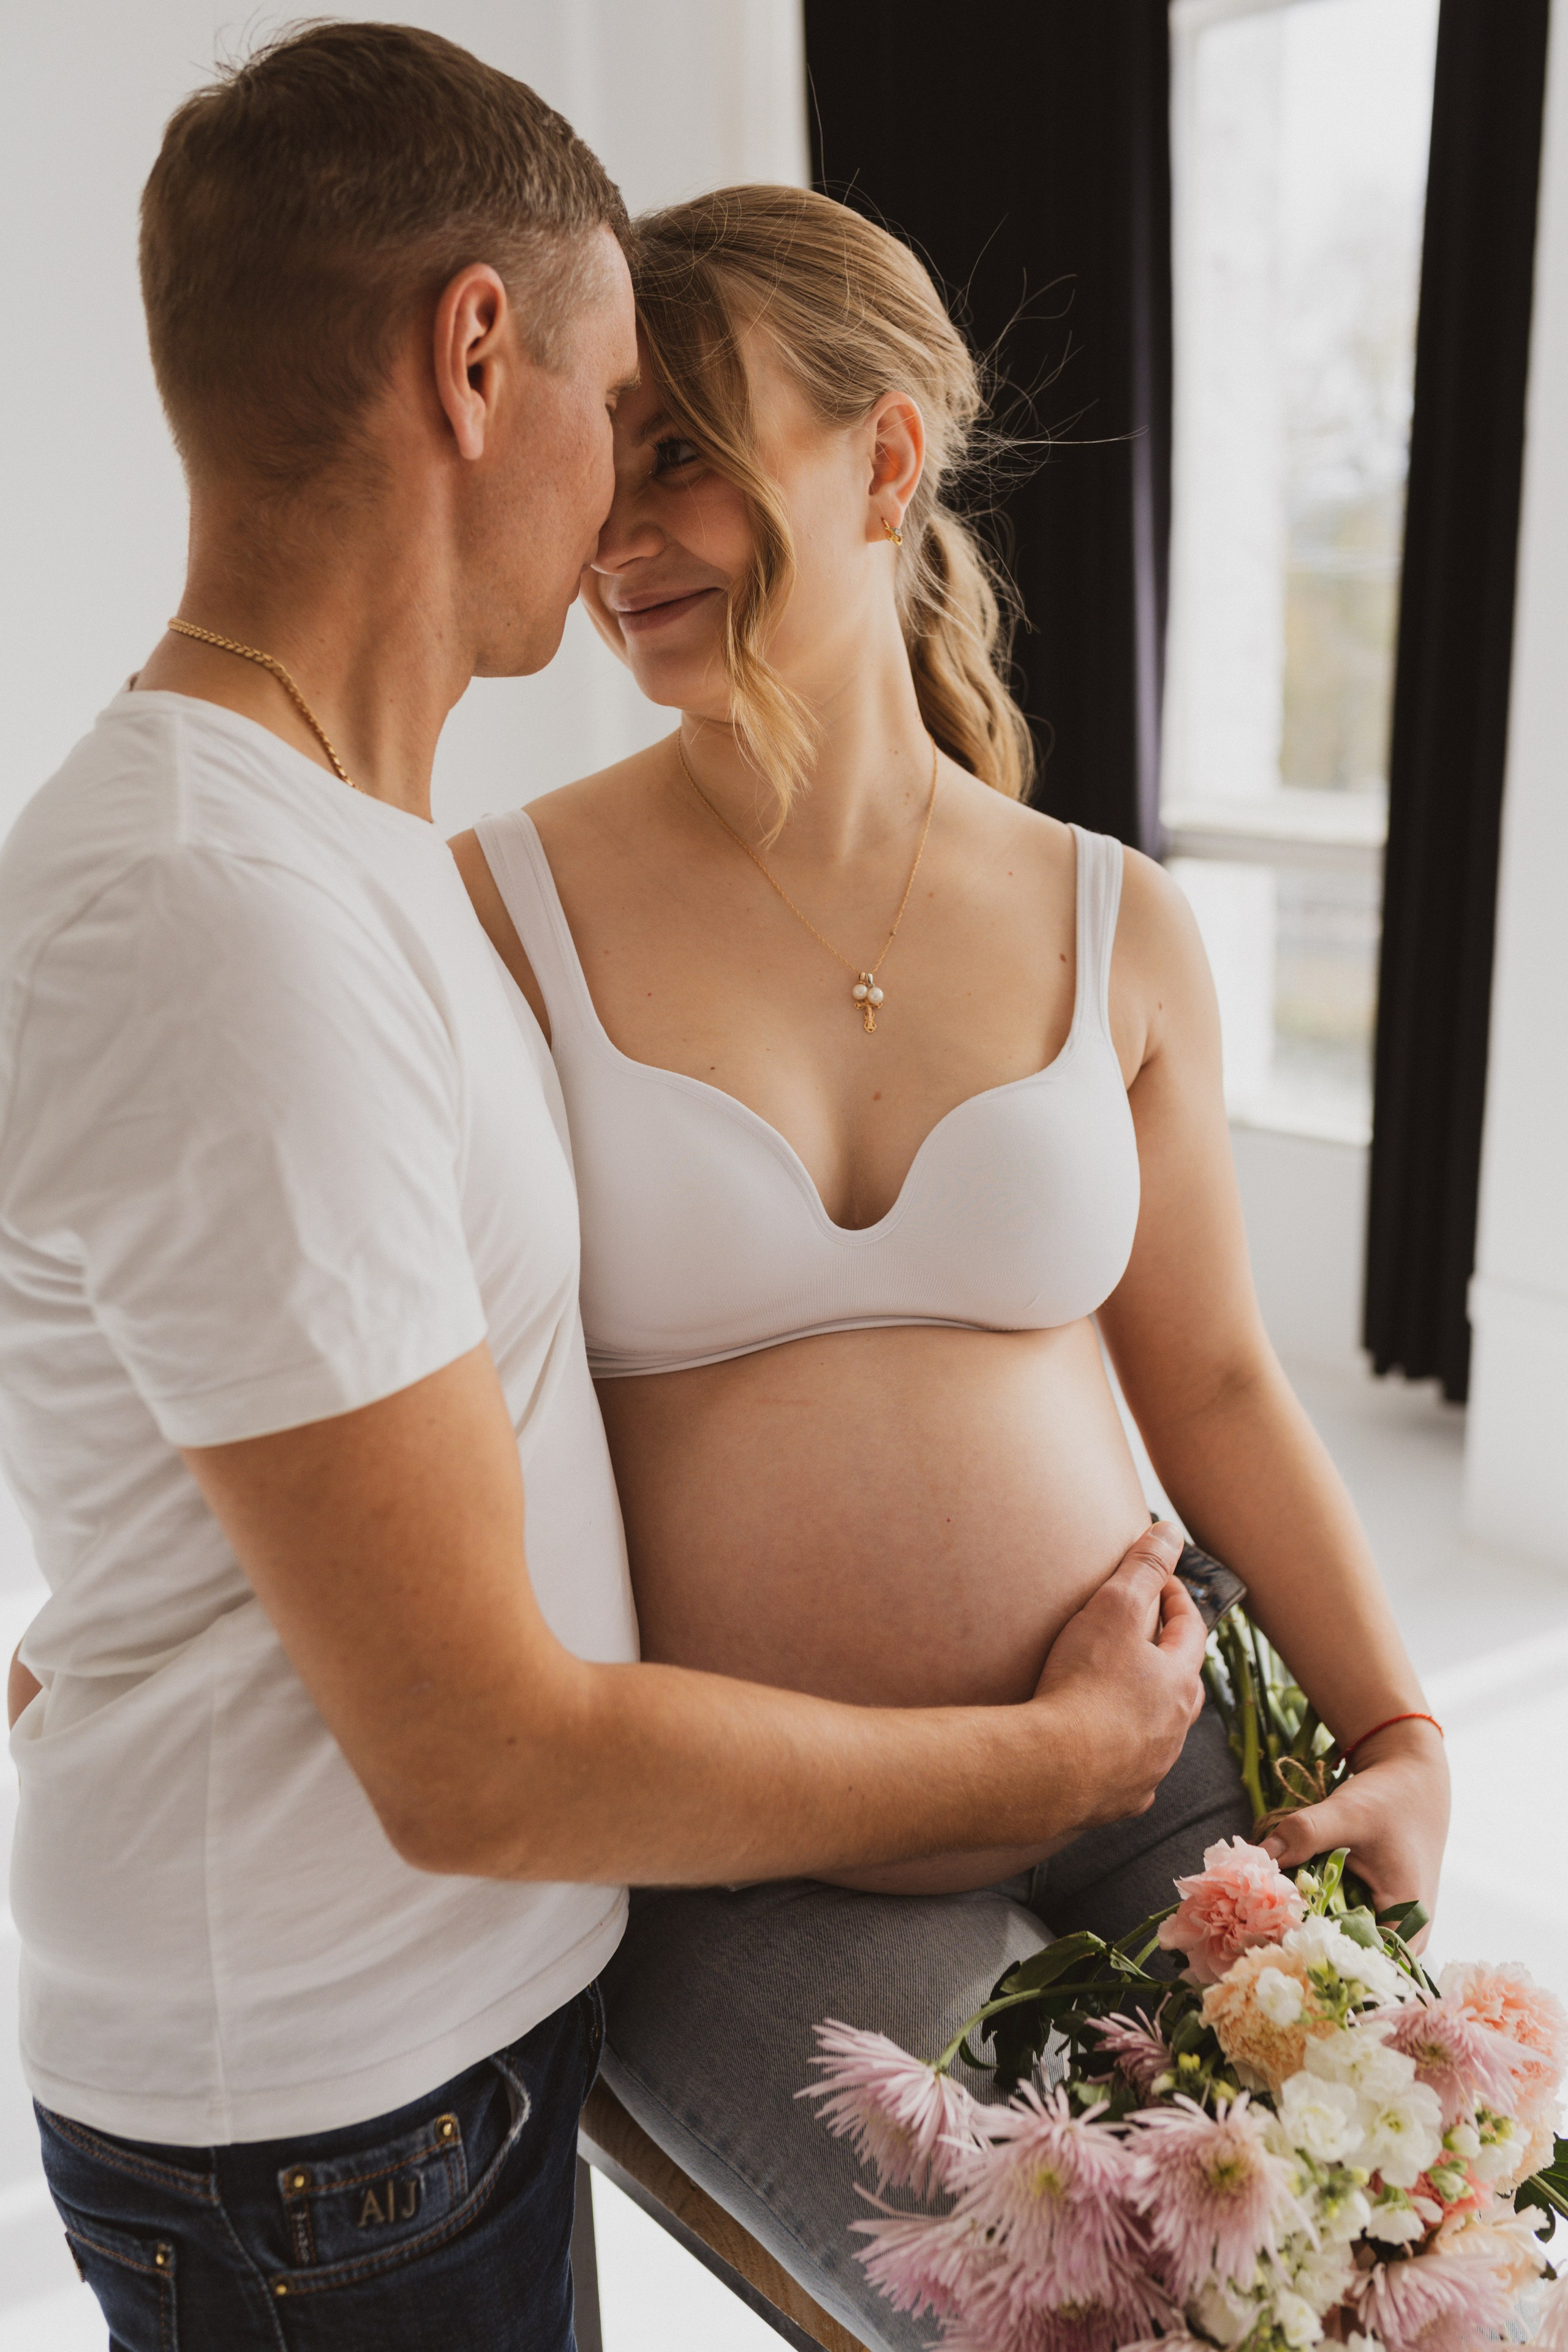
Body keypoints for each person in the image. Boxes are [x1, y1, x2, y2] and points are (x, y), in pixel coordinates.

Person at [0, 33, 1211, 2352]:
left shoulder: (324, 866)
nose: (628, 496)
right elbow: (474, 1753)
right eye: (613, 393)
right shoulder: (219, 904)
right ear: (478, 358)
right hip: (328, 2130)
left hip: (419, 2059)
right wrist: (1042, 1761)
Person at [453, 183, 1452, 2350]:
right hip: (758, 1870)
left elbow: (1218, 1386)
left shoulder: (1114, 918)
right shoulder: (498, 915)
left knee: (1385, 2281)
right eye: (608, 456)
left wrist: (1402, 1724)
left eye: (691, 448)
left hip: (1166, 1757)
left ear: (887, 458)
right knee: (1090, 2314)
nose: (626, 528)